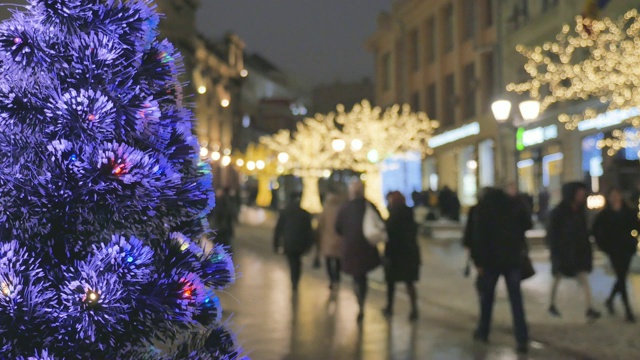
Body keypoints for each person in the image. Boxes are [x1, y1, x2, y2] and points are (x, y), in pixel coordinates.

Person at [469, 187, 532, 354]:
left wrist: (478, 262)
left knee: (487, 298)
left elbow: (478, 237)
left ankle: (483, 331)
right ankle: (522, 338)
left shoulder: (483, 208)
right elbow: (527, 224)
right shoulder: (514, 205)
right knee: (516, 299)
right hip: (512, 259)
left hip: (490, 261)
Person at [547, 182, 601, 321]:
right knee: (558, 277)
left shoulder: (580, 211)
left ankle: (589, 308)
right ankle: (551, 303)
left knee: (583, 278)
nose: (581, 196)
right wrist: (556, 251)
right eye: (579, 193)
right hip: (564, 252)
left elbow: (583, 232)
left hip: (578, 251)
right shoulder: (560, 212)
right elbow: (553, 234)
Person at [335, 179, 382, 323]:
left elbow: (338, 228)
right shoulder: (369, 206)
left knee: (356, 277)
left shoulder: (345, 208)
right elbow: (379, 223)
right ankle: (362, 299)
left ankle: (359, 302)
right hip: (366, 248)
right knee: (363, 276)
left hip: (351, 248)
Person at [593, 187, 640, 322]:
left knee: (621, 277)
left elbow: (636, 227)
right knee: (621, 277)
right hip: (613, 250)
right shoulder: (605, 215)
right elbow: (596, 231)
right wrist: (603, 246)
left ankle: (610, 299)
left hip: (626, 249)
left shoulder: (628, 212)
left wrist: (633, 240)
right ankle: (627, 309)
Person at [382, 191, 420, 321]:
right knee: (409, 283)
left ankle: (389, 308)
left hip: (395, 255)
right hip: (410, 254)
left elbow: (389, 236)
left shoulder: (393, 217)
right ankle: (414, 309)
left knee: (391, 284)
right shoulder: (409, 214)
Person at [273, 192, 314, 292]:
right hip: (300, 243)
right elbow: (309, 231)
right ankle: (296, 280)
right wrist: (309, 245)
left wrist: (276, 244)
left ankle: (294, 281)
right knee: (297, 262)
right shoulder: (305, 213)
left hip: (289, 242)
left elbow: (278, 229)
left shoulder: (285, 212)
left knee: (292, 262)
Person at [316, 190, 346, 291]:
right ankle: (337, 279)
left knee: (328, 261)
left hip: (327, 240)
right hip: (339, 240)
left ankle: (331, 280)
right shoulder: (341, 210)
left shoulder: (326, 209)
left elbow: (320, 224)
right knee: (338, 262)